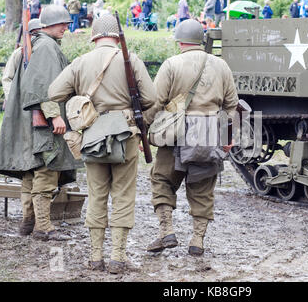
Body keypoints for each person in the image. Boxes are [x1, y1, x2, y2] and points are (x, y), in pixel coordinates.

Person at [48, 14, 156, 274]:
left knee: (97, 195)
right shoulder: (131, 60)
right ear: (117, 36)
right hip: (125, 135)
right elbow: (151, 98)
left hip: (92, 137)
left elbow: (54, 92)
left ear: (94, 35)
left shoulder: (81, 62)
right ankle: (118, 258)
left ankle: (95, 258)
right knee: (123, 195)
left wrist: (82, 100)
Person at [146, 19, 239, 256]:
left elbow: (155, 102)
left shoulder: (171, 64)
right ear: (202, 40)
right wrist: (227, 136)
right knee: (203, 187)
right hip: (209, 134)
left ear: (180, 41)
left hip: (174, 132)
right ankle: (197, 241)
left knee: (162, 180)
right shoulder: (221, 65)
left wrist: (146, 130)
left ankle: (166, 231)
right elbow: (232, 106)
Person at [0, 5, 81, 242]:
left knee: (32, 172)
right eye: (61, 23)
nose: (66, 27)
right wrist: (54, 115)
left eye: (67, 23)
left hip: (35, 121)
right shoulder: (46, 47)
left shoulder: (39, 46)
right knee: (46, 169)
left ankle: (29, 222)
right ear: (48, 25)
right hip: (45, 121)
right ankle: (43, 226)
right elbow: (43, 86)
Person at [1, 19, 42, 104]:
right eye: (33, 34)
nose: (35, 37)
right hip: (20, 100)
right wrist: (11, 100)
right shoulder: (19, 53)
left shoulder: (46, 52)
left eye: (39, 34)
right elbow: (7, 78)